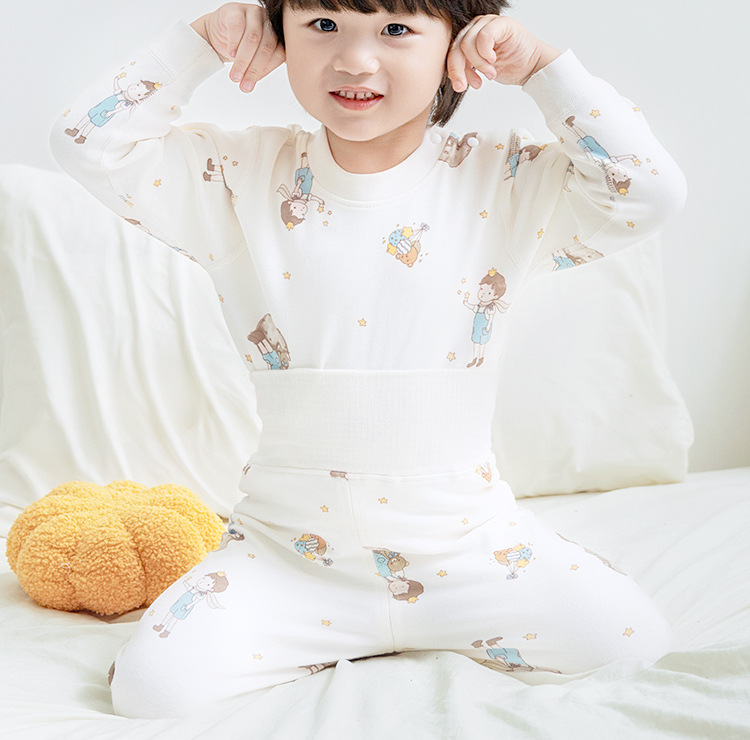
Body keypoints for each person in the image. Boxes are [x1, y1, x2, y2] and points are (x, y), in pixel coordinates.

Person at [50, 0, 687, 719]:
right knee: (150, 691)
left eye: (396, 30)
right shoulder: (236, 175)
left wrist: (540, 67)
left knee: (635, 642)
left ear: (458, 43)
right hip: (289, 559)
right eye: (323, 26)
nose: (354, 60)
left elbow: (650, 190)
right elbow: (85, 141)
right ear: (281, 34)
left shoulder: (505, 178)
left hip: (471, 552)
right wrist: (202, 42)